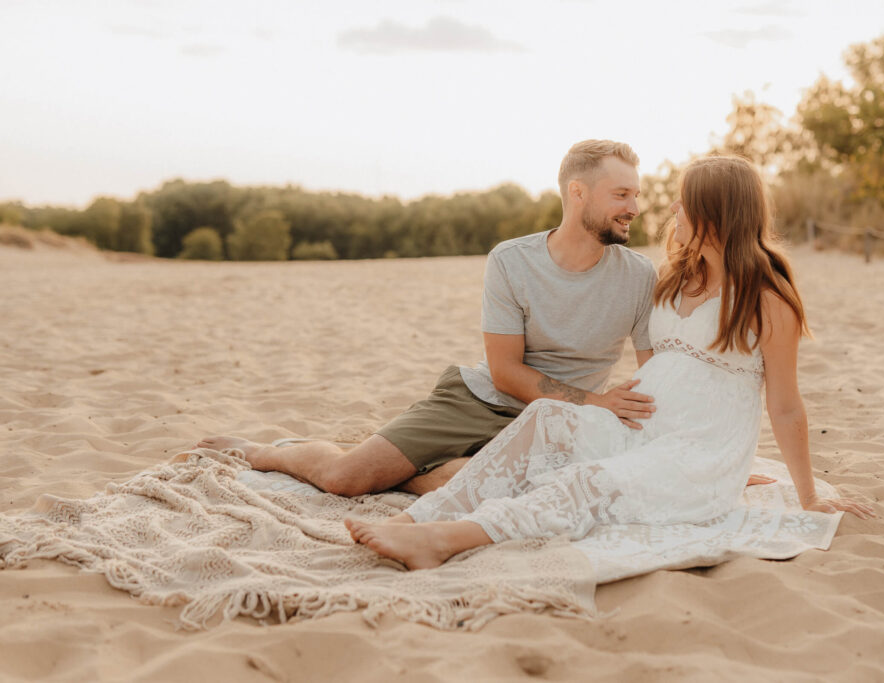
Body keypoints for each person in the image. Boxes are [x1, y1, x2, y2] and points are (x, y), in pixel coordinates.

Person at [344, 154, 877, 570]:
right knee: (545, 420)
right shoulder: (675, 276)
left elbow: (784, 406)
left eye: (684, 203)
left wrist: (804, 496)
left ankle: (440, 541)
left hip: (699, 449)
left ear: (717, 214)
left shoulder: (766, 296)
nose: (672, 211)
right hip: (645, 423)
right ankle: (419, 517)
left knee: (591, 482)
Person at [195, 140, 664, 496]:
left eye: (636, 195)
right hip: (482, 402)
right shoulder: (511, 261)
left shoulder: (639, 276)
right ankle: (265, 452)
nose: (635, 209)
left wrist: (702, 454)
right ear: (578, 193)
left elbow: (659, 378)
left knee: (479, 489)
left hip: (561, 421)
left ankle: (412, 472)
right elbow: (506, 371)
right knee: (346, 478)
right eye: (621, 194)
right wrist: (597, 403)